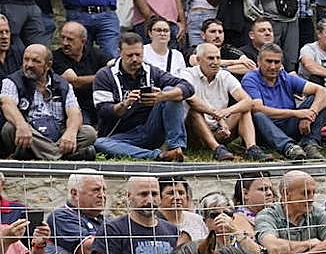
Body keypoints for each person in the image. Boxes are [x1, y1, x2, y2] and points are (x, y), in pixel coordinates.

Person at [93, 32, 193, 161]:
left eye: (138, 55)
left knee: (171, 92)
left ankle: (177, 148)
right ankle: (159, 155)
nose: (135, 59)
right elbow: (103, 111)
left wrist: (162, 96)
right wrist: (124, 104)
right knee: (100, 143)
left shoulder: (152, 71)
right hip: (119, 136)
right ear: (119, 52)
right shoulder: (105, 75)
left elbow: (188, 87)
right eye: (130, 55)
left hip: (150, 129)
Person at [1, 43, 97, 160]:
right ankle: (61, 157)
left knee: (89, 133)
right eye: (26, 59)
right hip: (29, 133)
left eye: (36, 61)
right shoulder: (12, 81)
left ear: (48, 65)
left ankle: (33, 154)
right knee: (10, 127)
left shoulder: (62, 84)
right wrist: (21, 125)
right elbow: (7, 105)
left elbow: (75, 113)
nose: (29, 65)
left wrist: (70, 133)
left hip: (57, 134)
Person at [242, 41, 326, 160]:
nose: (273, 66)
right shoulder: (250, 79)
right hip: (265, 129)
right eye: (268, 61)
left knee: (317, 101)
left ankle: (310, 144)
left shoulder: (285, 77)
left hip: (289, 123)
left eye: (276, 62)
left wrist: (310, 114)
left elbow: (322, 92)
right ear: (259, 61)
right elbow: (257, 108)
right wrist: (296, 113)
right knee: (258, 115)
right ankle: (288, 148)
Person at [183, 42, 262, 161]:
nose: (215, 62)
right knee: (194, 112)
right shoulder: (187, 74)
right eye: (210, 58)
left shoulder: (225, 75)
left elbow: (247, 101)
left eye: (218, 58)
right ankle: (217, 149)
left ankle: (252, 148)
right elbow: (192, 100)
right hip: (196, 132)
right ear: (198, 60)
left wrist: (226, 112)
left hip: (221, 128)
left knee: (243, 109)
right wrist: (219, 117)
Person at [254, 169, 326, 254]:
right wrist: (308, 244)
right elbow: (274, 248)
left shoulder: (315, 211)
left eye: (313, 193)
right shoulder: (267, 215)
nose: (311, 199)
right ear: (286, 193)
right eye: (305, 193)